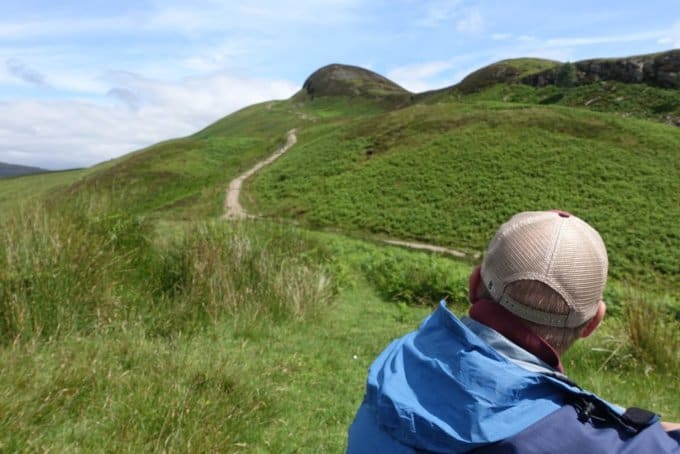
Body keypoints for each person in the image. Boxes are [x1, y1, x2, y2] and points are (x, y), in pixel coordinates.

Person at [347, 210, 680, 453]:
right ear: (593, 324)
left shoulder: (401, 357)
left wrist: (615, 415)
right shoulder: (590, 443)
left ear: (474, 283)